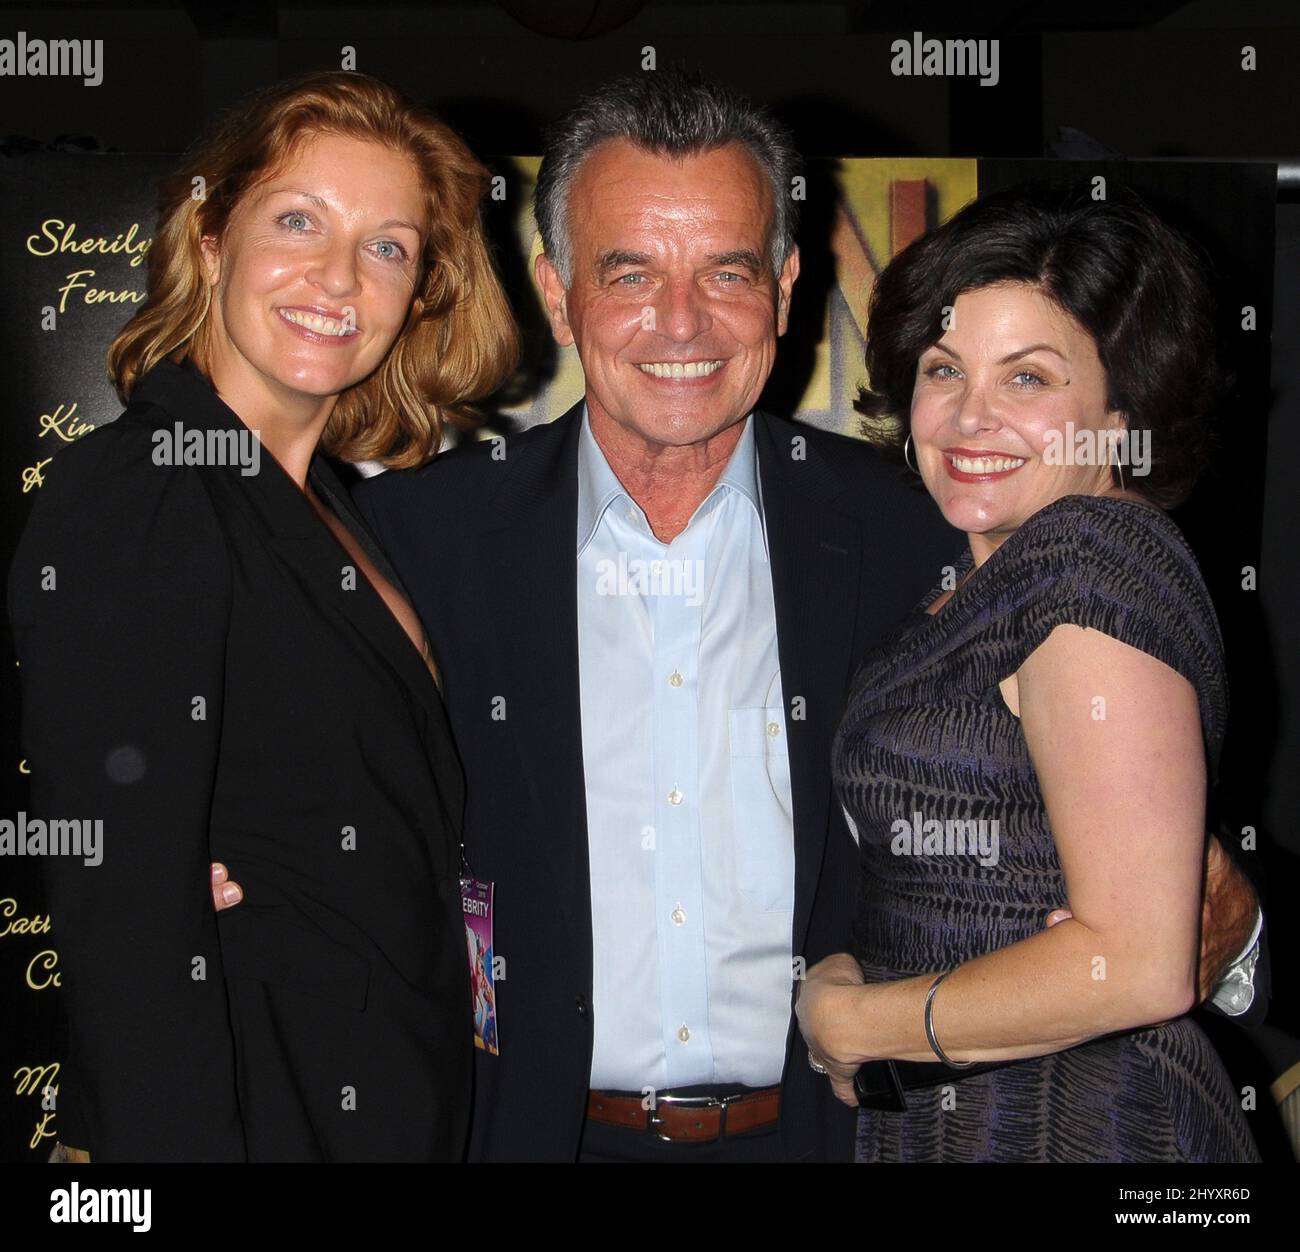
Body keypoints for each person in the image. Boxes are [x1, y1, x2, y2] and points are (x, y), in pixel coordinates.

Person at [217, 73, 1261, 1162]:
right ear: (558, 291)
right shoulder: (411, 546)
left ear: (785, 284)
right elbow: (310, 807)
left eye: (725, 271)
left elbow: (1116, 821)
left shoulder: (935, 530)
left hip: (848, 1135)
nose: (681, 322)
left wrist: (1230, 932)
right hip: (530, 1133)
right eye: (629, 272)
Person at [8, 70, 517, 1161]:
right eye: (298, 220)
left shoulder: (327, 507)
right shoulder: (146, 489)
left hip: (381, 1095)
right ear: (207, 236)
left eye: (388, 245)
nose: (339, 277)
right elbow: (129, 934)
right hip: (247, 1111)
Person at [796, 181, 1262, 1161]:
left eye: (1027, 378)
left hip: (1079, 1121)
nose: (970, 416)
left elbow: (1135, 965)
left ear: (1121, 403)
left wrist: (854, 1023)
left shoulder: (1086, 558)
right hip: (971, 1108)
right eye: (942, 367)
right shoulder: (964, 582)